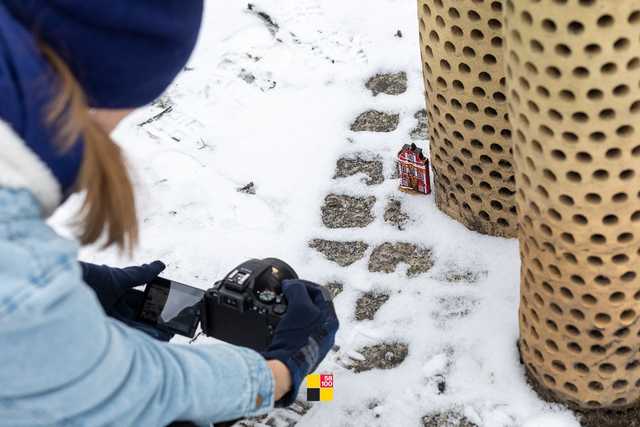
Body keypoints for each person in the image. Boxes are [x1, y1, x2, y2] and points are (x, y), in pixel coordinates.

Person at [0, 1, 339, 426]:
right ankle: (313, 387)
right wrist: (284, 372)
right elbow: (138, 395)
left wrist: (81, 284)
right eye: (115, 121)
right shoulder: (22, 290)